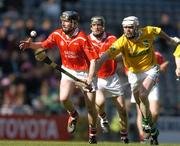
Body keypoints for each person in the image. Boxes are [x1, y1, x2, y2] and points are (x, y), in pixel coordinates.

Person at [95, 16, 180, 145]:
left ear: (136, 27)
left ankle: (146, 123)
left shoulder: (148, 31)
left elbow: (158, 31)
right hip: (133, 74)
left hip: (150, 70)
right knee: (140, 102)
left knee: (143, 95)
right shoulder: (121, 41)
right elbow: (105, 57)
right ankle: (151, 130)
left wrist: (170, 40)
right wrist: (92, 73)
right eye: (125, 27)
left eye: (130, 27)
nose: (127, 30)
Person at [19, 11, 98, 144]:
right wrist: (31, 45)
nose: (63, 23)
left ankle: (92, 134)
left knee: (90, 107)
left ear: (74, 23)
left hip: (85, 73)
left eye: (66, 21)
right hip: (67, 70)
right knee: (64, 98)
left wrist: (89, 78)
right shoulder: (57, 34)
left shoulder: (82, 38)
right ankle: (73, 114)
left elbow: (94, 60)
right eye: (62, 21)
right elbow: (44, 44)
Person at [88, 16, 129, 143]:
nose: (96, 27)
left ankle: (124, 135)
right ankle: (103, 117)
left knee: (122, 108)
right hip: (96, 79)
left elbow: (121, 55)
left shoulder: (112, 38)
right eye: (94, 25)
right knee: (99, 103)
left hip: (112, 78)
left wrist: (108, 57)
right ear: (91, 27)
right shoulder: (87, 40)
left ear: (103, 26)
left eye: (99, 25)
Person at [130, 51, 169, 142]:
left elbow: (163, 70)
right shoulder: (135, 53)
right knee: (141, 113)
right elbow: (128, 71)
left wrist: (162, 68)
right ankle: (142, 136)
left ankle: (151, 131)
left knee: (155, 112)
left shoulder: (157, 55)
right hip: (139, 85)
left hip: (153, 86)